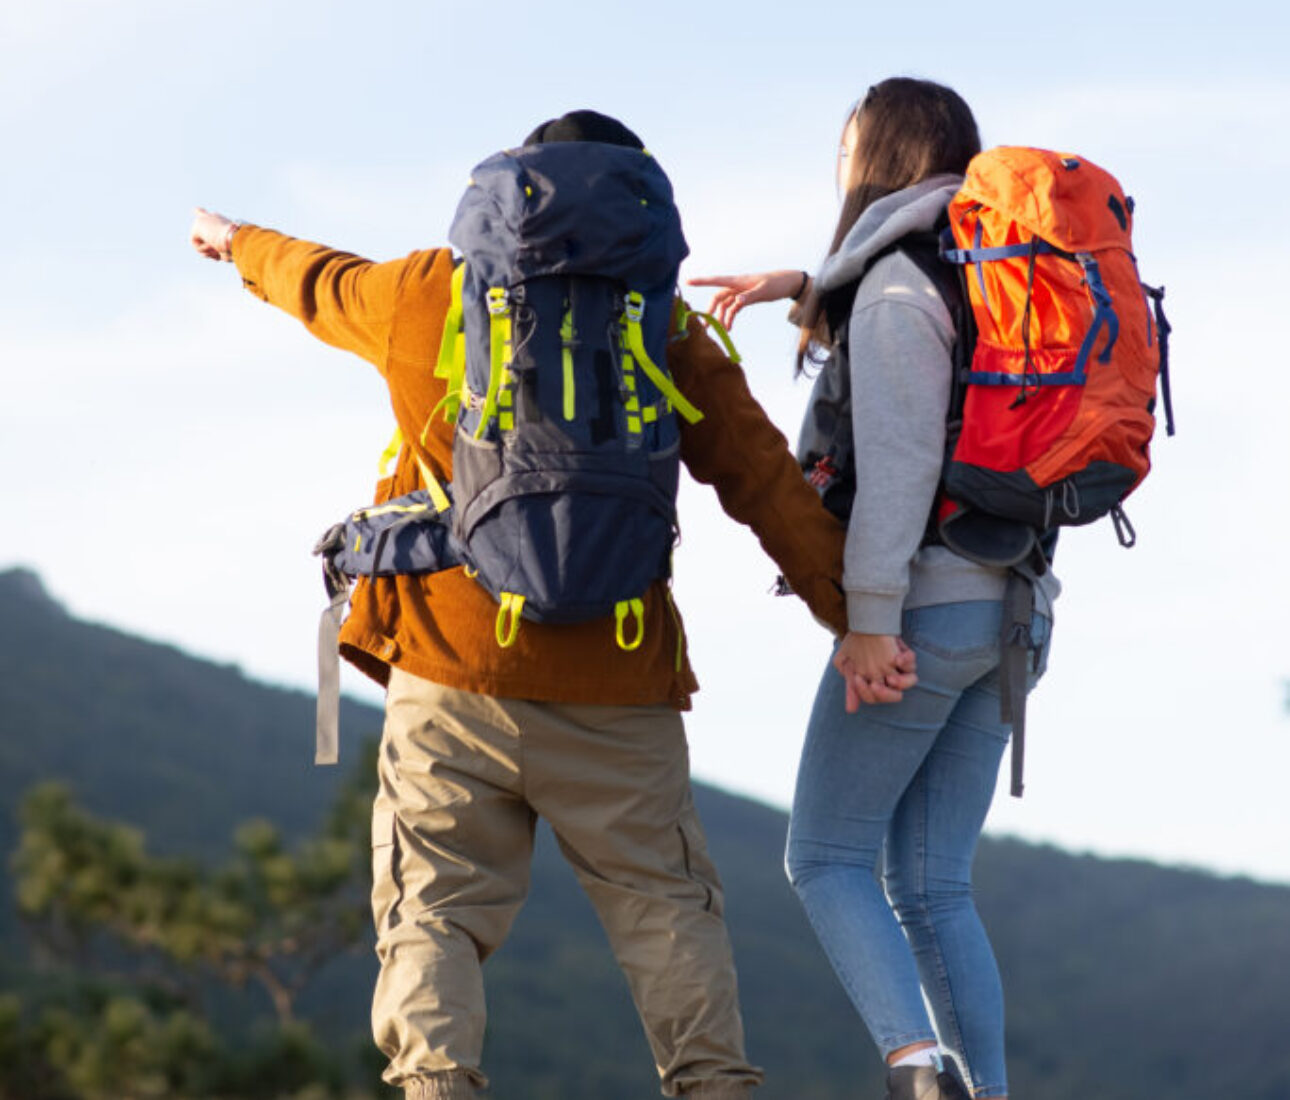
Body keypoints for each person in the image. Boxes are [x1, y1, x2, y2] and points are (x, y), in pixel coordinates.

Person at [188, 110, 876, 1100]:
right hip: (618, 677)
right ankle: (716, 1085)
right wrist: (852, 617)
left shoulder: (432, 289)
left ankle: (437, 1085)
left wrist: (234, 243)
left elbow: (320, 278)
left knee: (434, 910)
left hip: (447, 664)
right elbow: (763, 479)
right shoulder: (660, 324)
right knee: (663, 907)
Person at [690, 79, 1060, 1100]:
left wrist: (869, 623)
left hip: (926, 609)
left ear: (880, 159)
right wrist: (805, 286)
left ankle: (914, 1065)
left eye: (848, 148)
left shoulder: (898, 288)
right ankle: (982, 1087)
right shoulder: (993, 269)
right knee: (936, 884)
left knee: (826, 857)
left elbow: (898, 466)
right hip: (1016, 614)